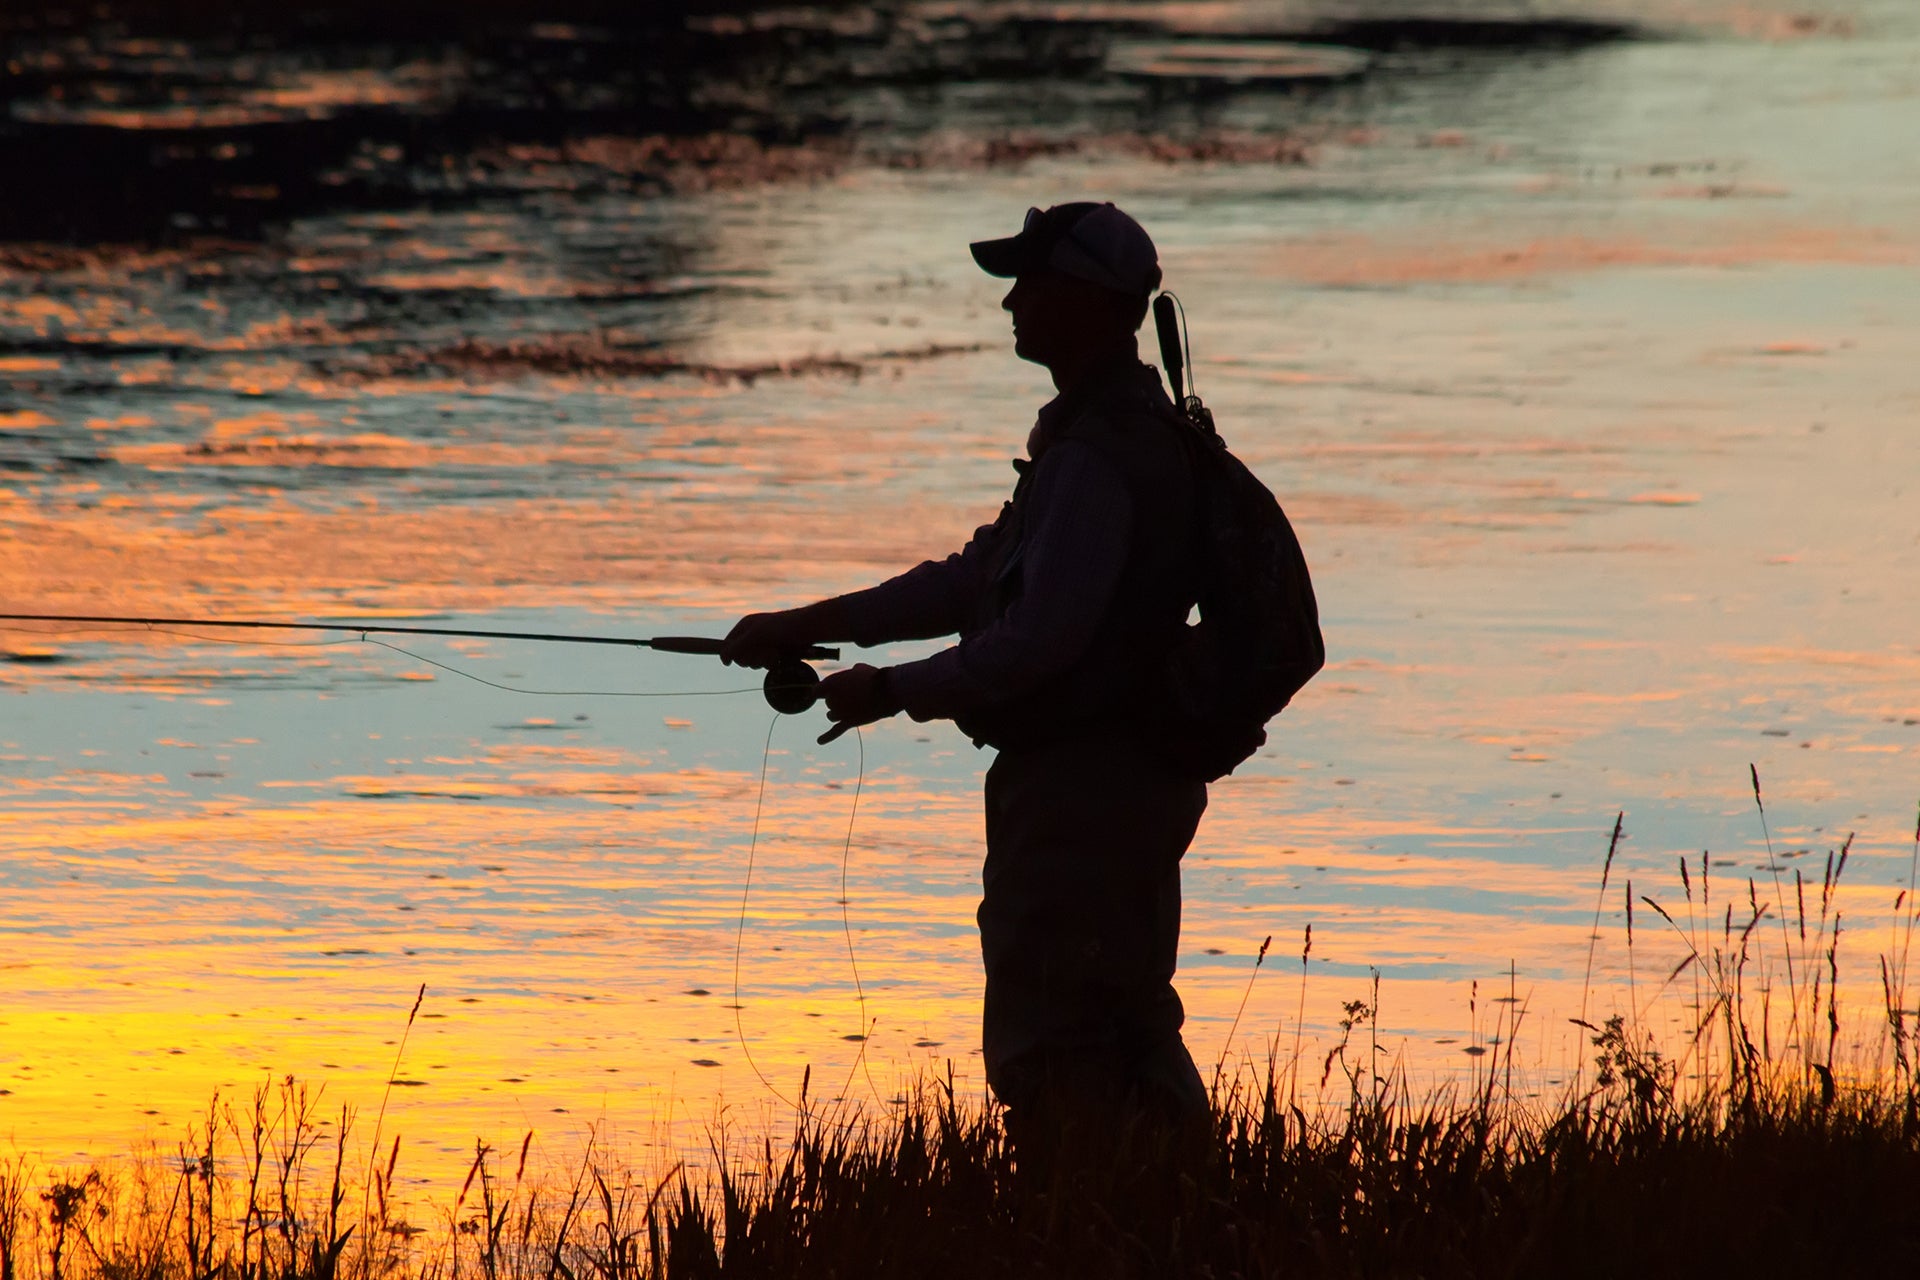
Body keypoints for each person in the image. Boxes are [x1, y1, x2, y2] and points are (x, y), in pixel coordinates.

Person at [721, 202, 1210, 1175]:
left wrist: (892, 689)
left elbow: (1038, 643)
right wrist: (804, 623)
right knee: (1126, 1015)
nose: (1011, 302)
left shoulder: (1098, 459)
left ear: (1086, 300)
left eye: (1030, 283)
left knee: (1056, 1031)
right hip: (1121, 778)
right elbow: (971, 580)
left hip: (1085, 790)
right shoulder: (1103, 438)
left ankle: (1091, 1217)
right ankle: (1187, 1209)